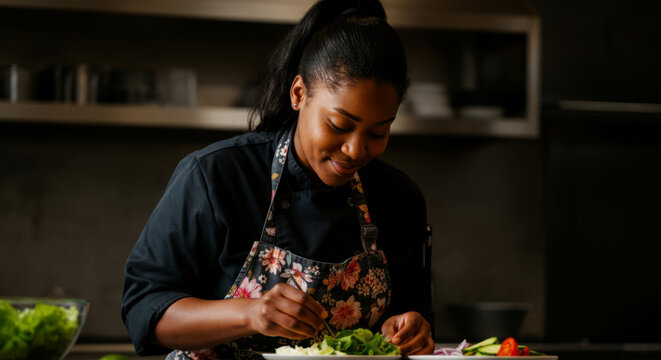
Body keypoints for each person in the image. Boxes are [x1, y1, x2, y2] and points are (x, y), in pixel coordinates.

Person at [121, 0, 433, 358]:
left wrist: (412, 328)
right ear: (299, 94)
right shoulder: (216, 176)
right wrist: (248, 313)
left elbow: (414, 313)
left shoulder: (398, 197)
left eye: (379, 132)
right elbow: (143, 310)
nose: (355, 150)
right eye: (339, 125)